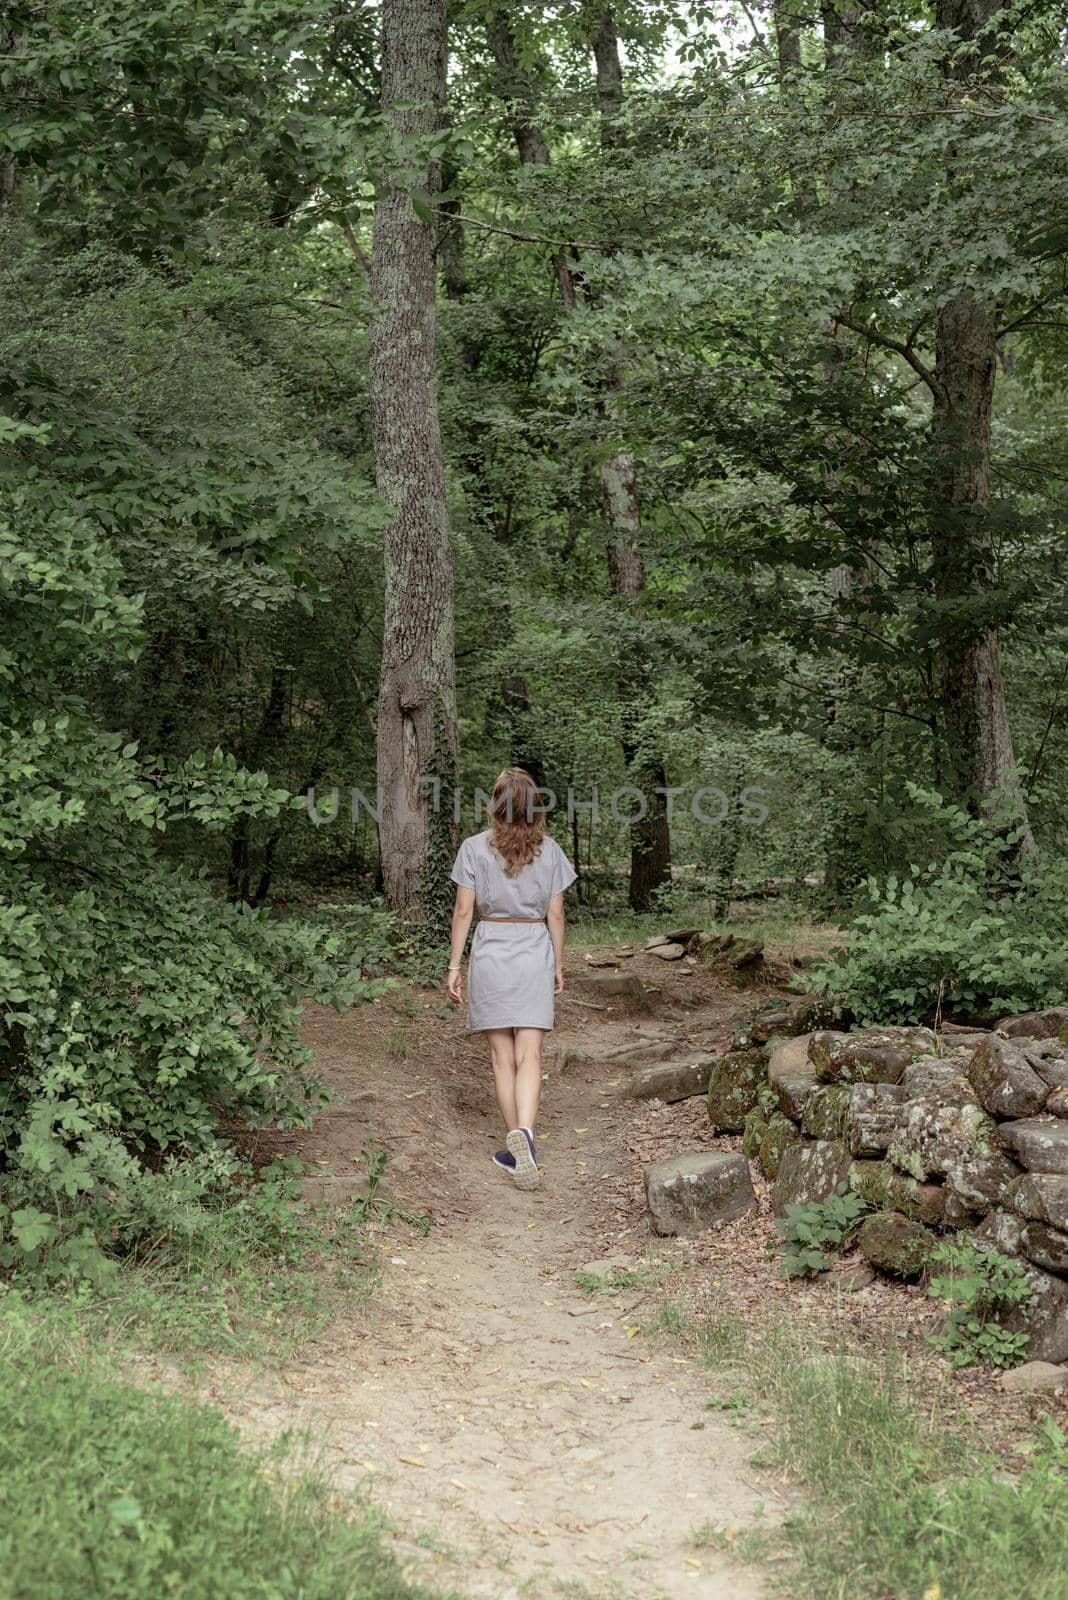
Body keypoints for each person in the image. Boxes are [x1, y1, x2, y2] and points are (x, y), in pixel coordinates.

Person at [445, 768, 577, 1190]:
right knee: (530, 1057)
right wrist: (557, 963)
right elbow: (555, 914)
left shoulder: (472, 849)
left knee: (501, 1059)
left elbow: (464, 912)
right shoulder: (551, 851)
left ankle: (517, 1142)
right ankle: (527, 1135)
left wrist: (454, 966)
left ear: (496, 804)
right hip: (533, 949)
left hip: (491, 951)